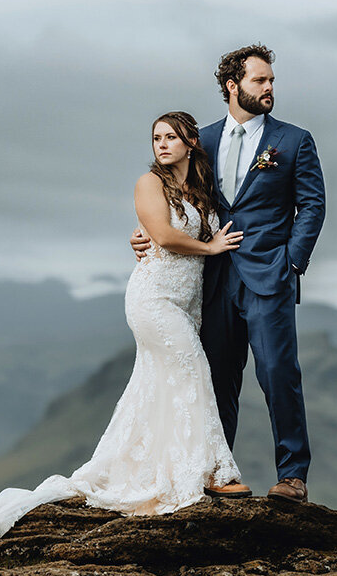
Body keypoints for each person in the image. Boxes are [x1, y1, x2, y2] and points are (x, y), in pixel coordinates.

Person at [0, 111, 250, 544]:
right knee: (192, 371)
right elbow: (163, 236)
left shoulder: (199, 189)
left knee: (159, 386)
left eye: (170, 137)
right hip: (154, 298)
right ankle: (214, 473)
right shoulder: (149, 183)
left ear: (191, 142)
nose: (161, 144)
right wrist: (211, 245)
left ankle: (169, 467)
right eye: (156, 138)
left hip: (188, 303)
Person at [132, 44, 326, 503]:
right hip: (213, 278)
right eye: (260, 81)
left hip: (269, 275)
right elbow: (171, 194)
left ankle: (292, 476)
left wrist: (291, 262)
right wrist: (144, 233)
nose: (270, 88)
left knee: (279, 371)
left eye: (272, 81)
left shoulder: (294, 141)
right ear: (232, 86)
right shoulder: (204, 140)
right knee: (217, 376)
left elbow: (312, 205)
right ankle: (216, 473)